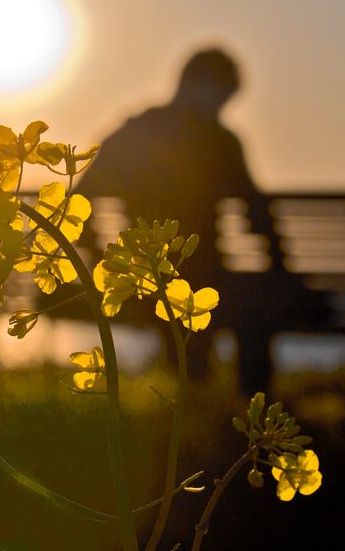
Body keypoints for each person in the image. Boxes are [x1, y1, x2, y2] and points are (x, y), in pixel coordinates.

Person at [75, 48, 277, 392]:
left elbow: (79, 199)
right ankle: (246, 403)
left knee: (201, 287)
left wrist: (99, 258)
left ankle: (193, 395)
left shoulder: (134, 132)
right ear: (210, 88)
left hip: (138, 282)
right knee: (255, 302)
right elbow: (258, 217)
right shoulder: (222, 141)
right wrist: (282, 267)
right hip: (204, 279)